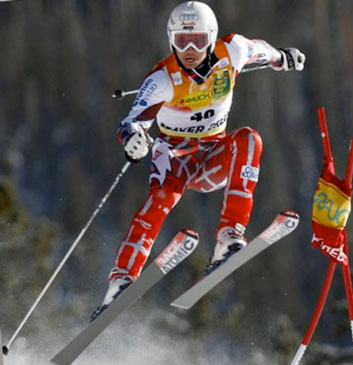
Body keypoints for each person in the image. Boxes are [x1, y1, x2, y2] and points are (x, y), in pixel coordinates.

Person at [92, 1, 305, 320]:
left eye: (199, 41)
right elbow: (132, 121)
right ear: (171, 40)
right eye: (181, 41)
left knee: (249, 139)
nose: (190, 49)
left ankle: (229, 235)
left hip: (212, 156)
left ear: (212, 37)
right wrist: (133, 141)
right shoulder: (162, 78)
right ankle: (121, 281)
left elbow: (261, 49)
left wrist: (282, 57)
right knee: (162, 197)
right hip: (175, 156)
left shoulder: (232, 51)